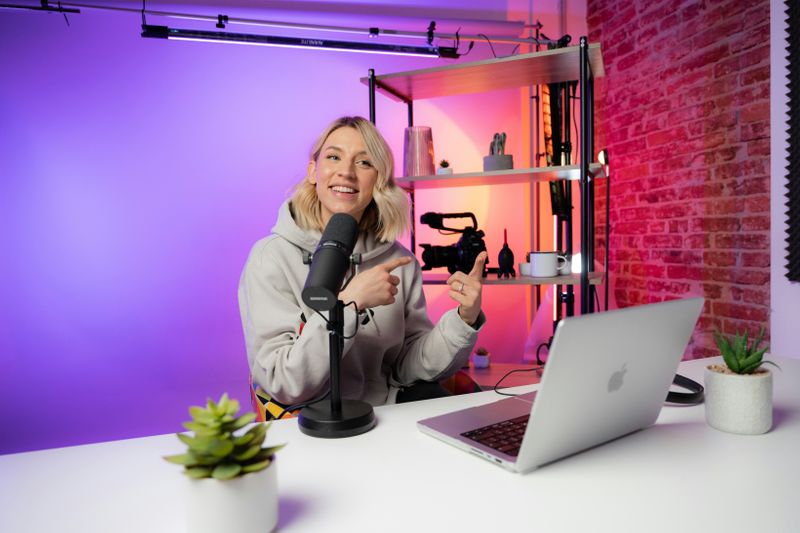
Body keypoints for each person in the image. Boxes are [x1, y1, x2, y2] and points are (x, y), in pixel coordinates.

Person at [238, 116, 487, 413]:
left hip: (386, 419)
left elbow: (407, 366)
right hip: (309, 426)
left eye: (364, 163)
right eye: (333, 157)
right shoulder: (271, 257)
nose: (346, 172)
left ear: (379, 180)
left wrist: (464, 319)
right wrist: (348, 305)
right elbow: (284, 382)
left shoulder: (399, 261)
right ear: (312, 171)